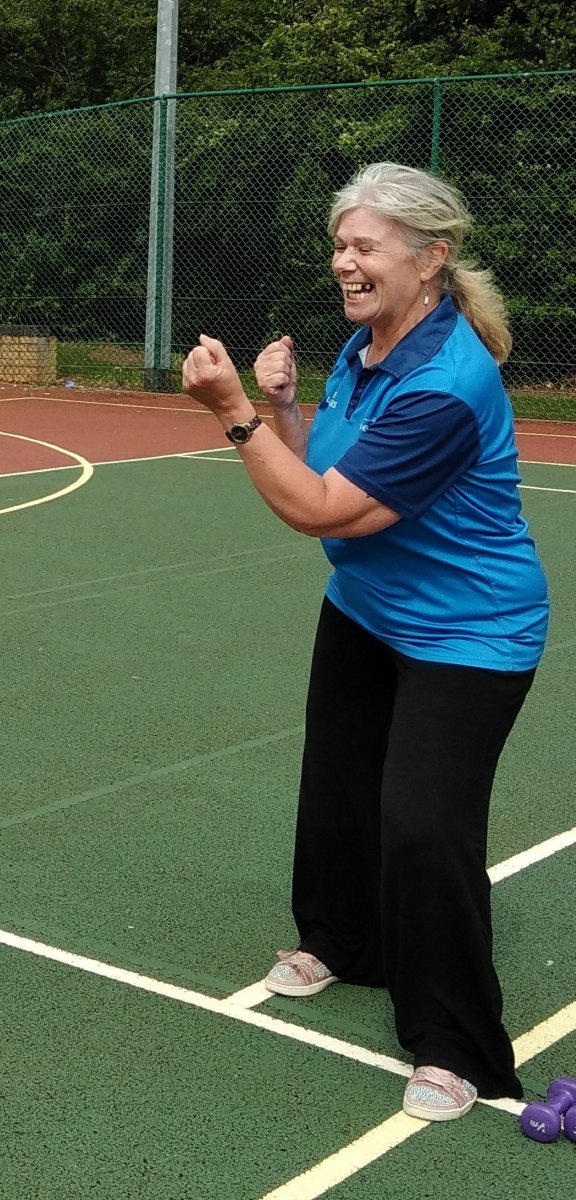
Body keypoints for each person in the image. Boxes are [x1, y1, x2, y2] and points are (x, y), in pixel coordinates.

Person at [181, 162, 548, 1122]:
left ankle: (456, 1044)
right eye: (340, 244)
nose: (345, 262)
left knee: (424, 826)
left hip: (469, 631)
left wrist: (234, 414)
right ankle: (343, 942)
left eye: (365, 246)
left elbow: (319, 510)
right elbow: (329, 471)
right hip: (366, 609)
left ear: (430, 259)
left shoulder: (447, 381)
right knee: (340, 789)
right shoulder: (367, 344)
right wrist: (286, 411)